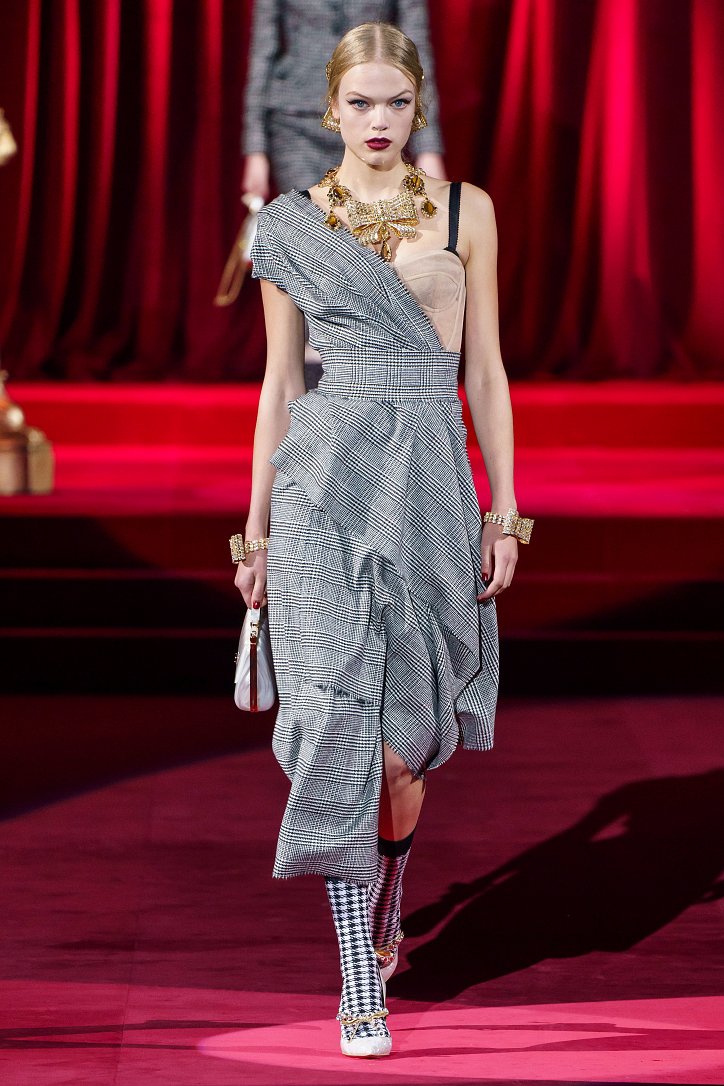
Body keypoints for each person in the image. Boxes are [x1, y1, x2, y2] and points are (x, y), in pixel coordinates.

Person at [233, 21, 533, 1059]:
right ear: (329, 110)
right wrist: (255, 532)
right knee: (335, 729)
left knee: (403, 750)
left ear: (417, 110)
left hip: (430, 484)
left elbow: (485, 370)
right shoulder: (290, 223)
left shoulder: (465, 210)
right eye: (358, 103)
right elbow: (280, 384)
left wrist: (504, 510)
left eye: (395, 103)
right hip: (321, 485)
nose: (376, 120)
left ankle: (389, 894)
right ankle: (358, 977)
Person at [241, 0, 446, 199]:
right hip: (296, 123)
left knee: (368, 216)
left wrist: (427, 149)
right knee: (311, 218)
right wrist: (256, 150)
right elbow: (262, 53)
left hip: (374, 122)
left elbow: (416, 56)